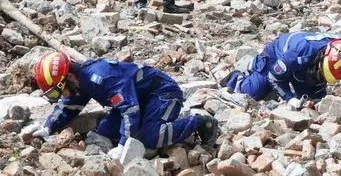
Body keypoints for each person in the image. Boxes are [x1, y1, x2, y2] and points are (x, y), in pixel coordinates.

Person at [31, 52, 219, 158]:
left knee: (150, 137)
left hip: (162, 93)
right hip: (138, 98)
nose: (60, 96)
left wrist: (123, 145)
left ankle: (200, 121)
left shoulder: (101, 78)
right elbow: (69, 105)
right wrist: (48, 127)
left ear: (69, 77)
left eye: (58, 90)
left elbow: (130, 109)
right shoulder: (81, 81)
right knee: (105, 130)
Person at [222, 32, 341, 107]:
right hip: (277, 55)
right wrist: (289, 99)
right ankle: (239, 76)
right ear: (322, 57)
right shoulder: (297, 53)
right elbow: (273, 77)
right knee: (253, 91)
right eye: (323, 73)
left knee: (312, 103)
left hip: (309, 69)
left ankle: (285, 89)